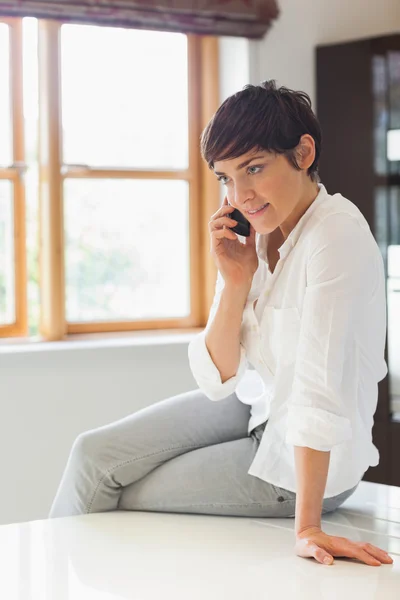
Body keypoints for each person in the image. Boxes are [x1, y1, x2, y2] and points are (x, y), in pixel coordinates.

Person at [49, 80, 392, 568]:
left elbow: (318, 391)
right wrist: (234, 282)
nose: (241, 194)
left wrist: (309, 526)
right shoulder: (253, 232)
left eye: (254, 168)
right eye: (226, 177)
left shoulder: (334, 234)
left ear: (303, 152)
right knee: (91, 456)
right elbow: (218, 377)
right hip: (255, 405)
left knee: (117, 486)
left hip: (307, 463)